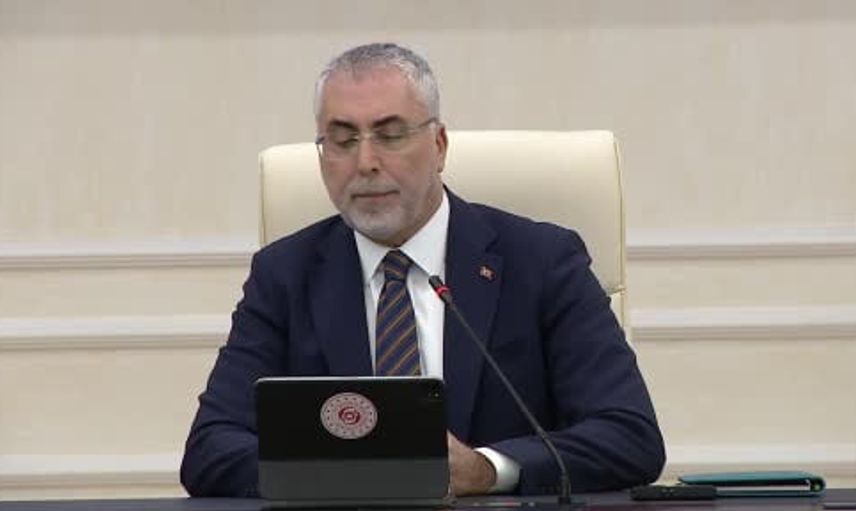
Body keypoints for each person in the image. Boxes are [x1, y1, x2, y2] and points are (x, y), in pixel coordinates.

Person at [180, 42, 665, 498]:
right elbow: (210, 450)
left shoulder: (541, 261)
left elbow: (628, 435)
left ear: (439, 145)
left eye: (391, 136)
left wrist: (487, 470)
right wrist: (357, 473)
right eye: (342, 140)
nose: (365, 163)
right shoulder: (286, 274)